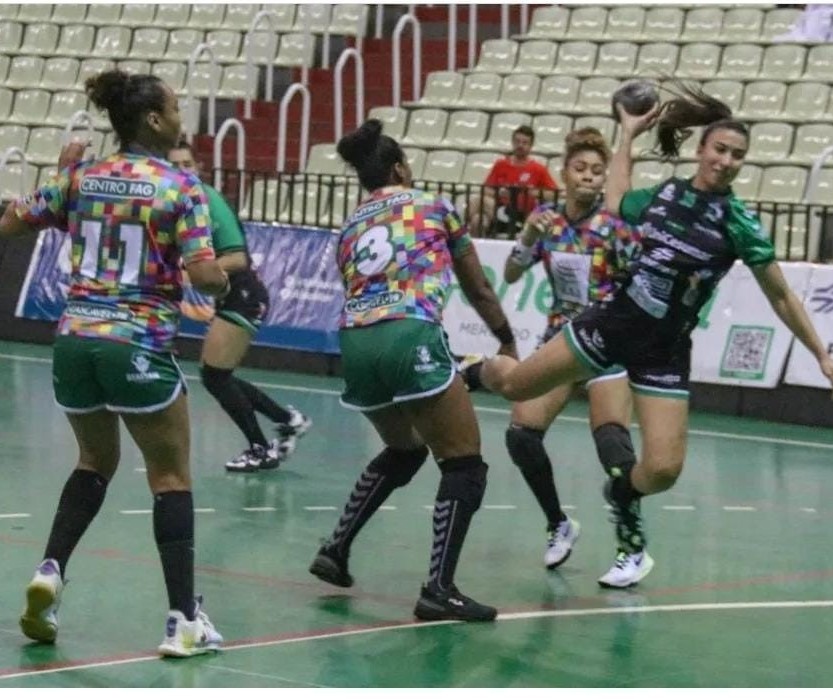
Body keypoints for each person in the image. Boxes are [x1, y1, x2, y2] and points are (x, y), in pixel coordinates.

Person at [473, 83, 833, 588]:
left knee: (662, 470)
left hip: (664, 348)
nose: (727, 161)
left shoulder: (738, 223)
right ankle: (472, 366)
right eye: (720, 149)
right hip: (611, 323)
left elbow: (779, 296)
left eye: (738, 156)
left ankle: (620, 496)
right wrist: (627, 134)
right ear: (701, 150)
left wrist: (820, 352)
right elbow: (617, 199)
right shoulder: (665, 195)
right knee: (513, 391)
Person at [0, 70, 229, 656]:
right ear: (153, 120)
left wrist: (58, 176)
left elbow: (11, 222)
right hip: (137, 341)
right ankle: (183, 621)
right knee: (170, 477)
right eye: (175, 108)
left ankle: (51, 569)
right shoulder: (180, 186)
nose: (182, 116)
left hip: (74, 339)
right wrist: (221, 281)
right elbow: (204, 272)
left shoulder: (80, 176)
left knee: (94, 460)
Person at [308, 119, 517, 621]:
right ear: (401, 166)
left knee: (404, 451)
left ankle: (335, 549)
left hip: (355, 340)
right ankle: (439, 588)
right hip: (408, 331)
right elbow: (478, 287)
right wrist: (507, 340)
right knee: (464, 463)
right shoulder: (434, 205)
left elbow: (355, 285)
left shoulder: (351, 225)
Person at [501, 127, 642, 579]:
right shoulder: (546, 221)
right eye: (579, 168)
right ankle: (558, 525)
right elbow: (511, 274)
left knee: (612, 444)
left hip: (609, 345)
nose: (588, 176)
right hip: (562, 341)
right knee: (521, 433)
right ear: (563, 173)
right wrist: (525, 235)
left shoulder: (614, 227)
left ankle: (632, 548)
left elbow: (640, 278)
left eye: (597, 171)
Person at [167, 140, 312, 473]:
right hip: (230, 297)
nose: (183, 171)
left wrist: (192, 271)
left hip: (244, 295)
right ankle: (287, 420)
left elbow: (237, 258)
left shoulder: (208, 200)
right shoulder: (178, 206)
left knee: (215, 376)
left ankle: (262, 446)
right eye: (176, 165)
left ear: (198, 168)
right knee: (217, 375)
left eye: (188, 164)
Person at [467, 125, 558, 239]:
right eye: (517, 141)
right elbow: (486, 189)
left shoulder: (538, 169)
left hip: (522, 213)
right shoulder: (501, 164)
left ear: (531, 146)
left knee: (478, 200)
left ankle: (456, 231)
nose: (520, 145)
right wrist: (499, 192)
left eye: (524, 143)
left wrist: (531, 192)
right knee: (477, 220)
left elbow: (554, 194)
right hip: (499, 209)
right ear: (512, 142)